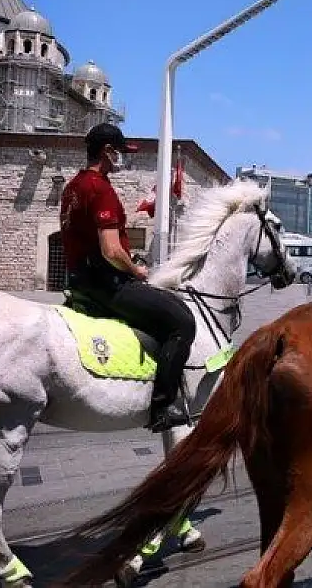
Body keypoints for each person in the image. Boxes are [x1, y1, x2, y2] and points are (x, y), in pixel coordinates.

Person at [60, 123, 195, 433]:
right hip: (107, 283)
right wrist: (136, 270)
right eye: (121, 152)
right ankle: (161, 407)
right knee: (181, 322)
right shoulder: (100, 188)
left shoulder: (73, 186)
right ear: (108, 151)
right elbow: (110, 250)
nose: (124, 158)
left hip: (80, 279)